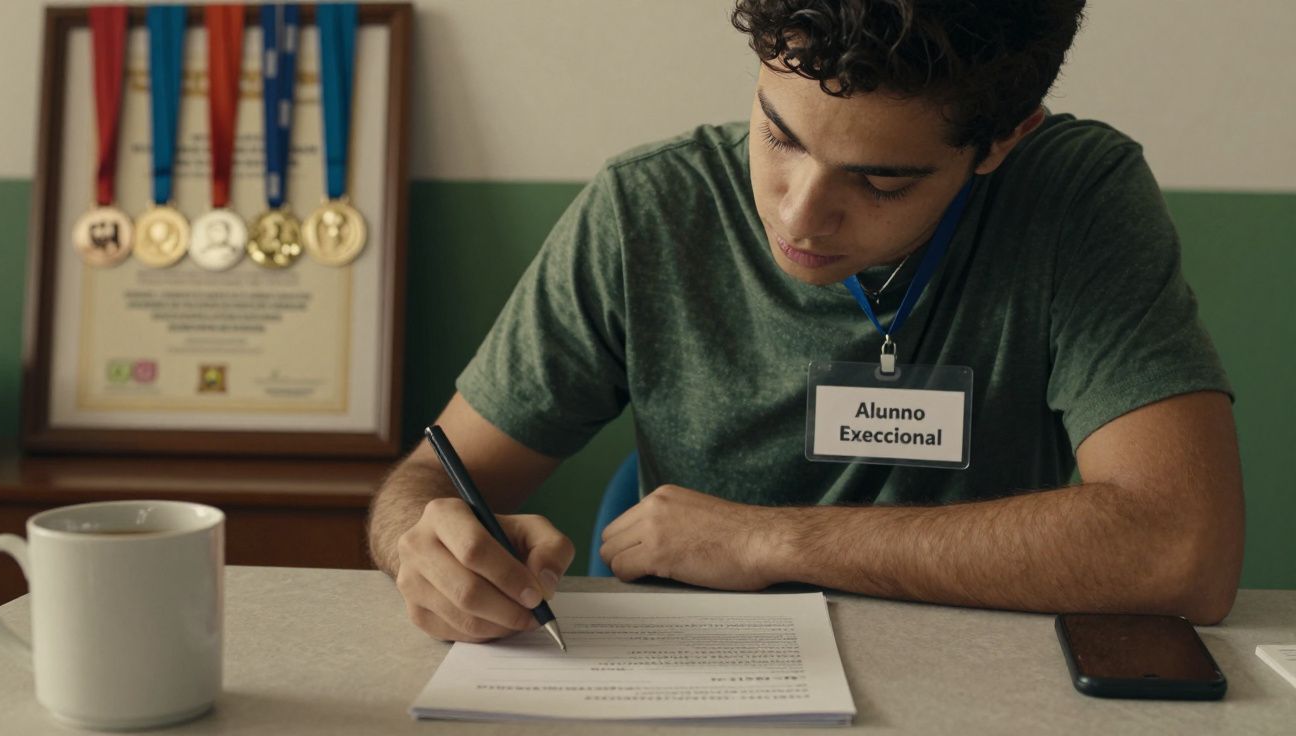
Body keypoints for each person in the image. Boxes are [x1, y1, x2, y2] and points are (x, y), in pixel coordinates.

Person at [368, 0, 1243, 643]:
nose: (798, 216)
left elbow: (1181, 549)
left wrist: (773, 540)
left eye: (880, 182)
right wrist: (424, 541)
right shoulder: (647, 210)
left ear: (1003, 141)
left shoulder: (1074, 198)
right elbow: (429, 481)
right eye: (779, 136)